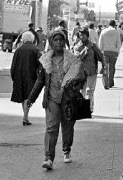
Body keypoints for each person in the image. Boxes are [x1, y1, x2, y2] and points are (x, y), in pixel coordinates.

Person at [27, 30, 81, 170]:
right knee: (51, 128)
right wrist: (31, 98)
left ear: (64, 42)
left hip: (68, 99)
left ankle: (66, 149)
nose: (58, 42)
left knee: (68, 127)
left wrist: (74, 83)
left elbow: (81, 78)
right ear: (50, 43)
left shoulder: (72, 59)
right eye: (55, 40)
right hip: (52, 99)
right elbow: (40, 81)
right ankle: (49, 158)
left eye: (61, 40)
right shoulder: (45, 60)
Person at [10, 31, 40, 126]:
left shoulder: (18, 50)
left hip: (19, 76)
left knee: (23, 97)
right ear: (32, 39)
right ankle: (25, 117)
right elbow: (40, 64)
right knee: (28, 96)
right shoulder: (35, 49)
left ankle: (25, 117)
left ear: (23, 39)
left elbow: (13, 65)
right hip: (31, 76)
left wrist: (13, 76)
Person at [73, 27, 106, 112]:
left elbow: (101, 56)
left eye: (84, 35)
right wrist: (86, 49)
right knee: (81, 91)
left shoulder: (93, 46)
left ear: (87, 36)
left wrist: (104, 67)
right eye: (80, 35)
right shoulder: (76, 47)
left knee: (89, 91)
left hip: (91, 71)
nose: (82, 37)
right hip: (80, 73)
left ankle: (89, 109)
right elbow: (78, 57)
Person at [98, 20, 121, 89]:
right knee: (112, 68)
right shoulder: (116, 32)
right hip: (113, 52)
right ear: (114, 25)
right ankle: (110, 82)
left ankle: (105, 83)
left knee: (105, 67)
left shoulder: (104, 31)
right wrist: (117, 51)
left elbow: (100, 43)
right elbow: (119, 43)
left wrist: (100, 51)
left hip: (105, 51)